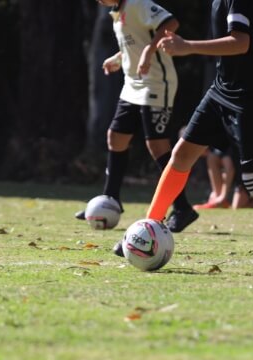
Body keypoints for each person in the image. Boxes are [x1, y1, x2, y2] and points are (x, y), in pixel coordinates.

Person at [117, 0, 253, 276]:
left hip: (251, 97)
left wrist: (188, 46)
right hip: (222, 89)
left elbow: (240, 42)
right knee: (182, 154)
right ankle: (148, 230)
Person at [75, 0, 199, 233]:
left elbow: (171, 22)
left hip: (155, 84)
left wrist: (149, 52)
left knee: (157, 146)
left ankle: (183, 208)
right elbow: (135, 41)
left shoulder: (136, 3)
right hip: (131, 85)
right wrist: (118, 57)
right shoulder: (117, 11)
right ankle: (110, 199)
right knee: (116, 138)